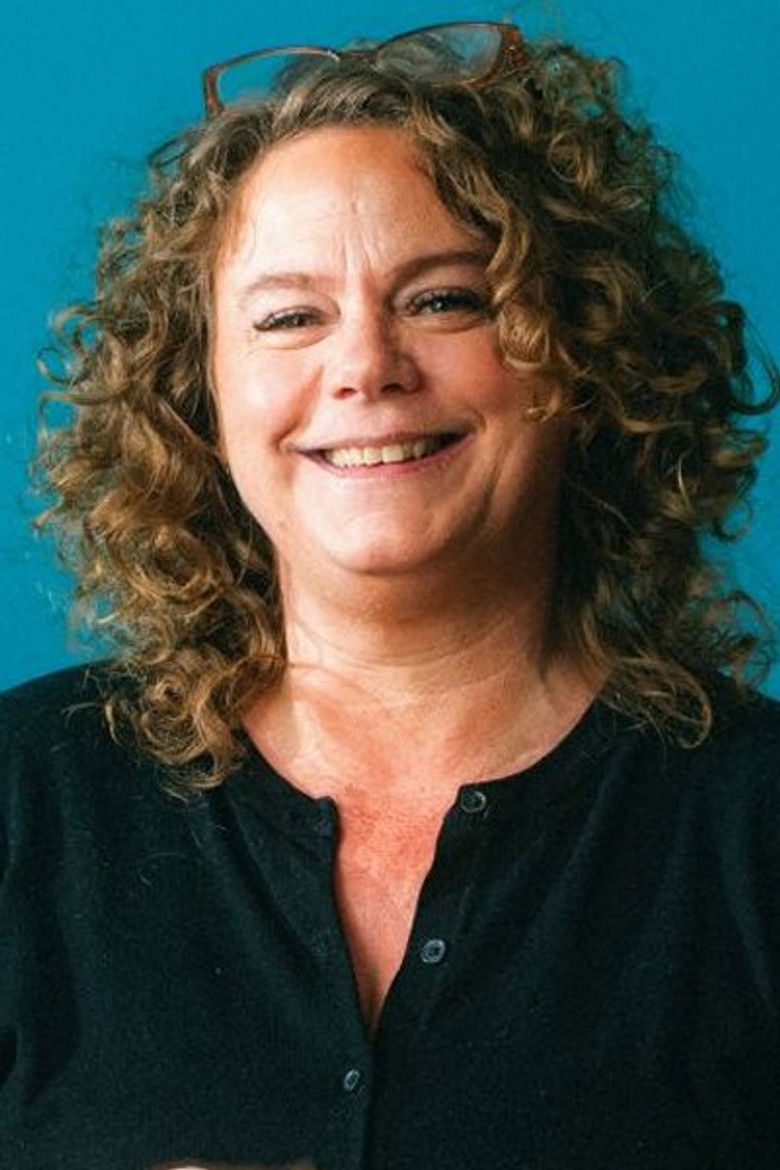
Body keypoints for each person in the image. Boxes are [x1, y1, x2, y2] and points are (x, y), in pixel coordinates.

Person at [1, 19, 778, 1170]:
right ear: (194, 396)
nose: (366, 365)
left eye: (445, 299)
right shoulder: (26, 796)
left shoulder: (753, 825)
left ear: (584, 352)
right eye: (289, 317)